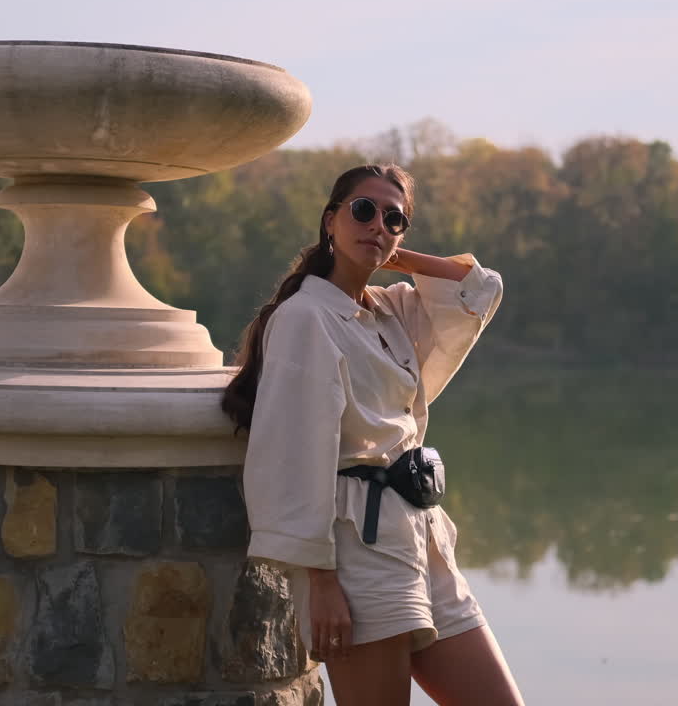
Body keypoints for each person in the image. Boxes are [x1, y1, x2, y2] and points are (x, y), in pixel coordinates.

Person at [222, 164, 523, 706]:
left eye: (395, 218)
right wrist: (321, 583)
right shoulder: (305, 318)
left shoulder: (389, 310)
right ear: (329, 220)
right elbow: (292, 454)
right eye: (362, 210)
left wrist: (385, 250)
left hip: (422, 537)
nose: (378, 224)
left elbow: (478, 289)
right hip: (355, 551)